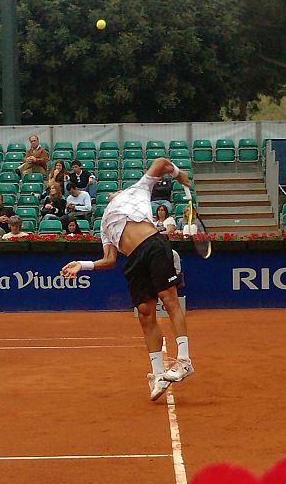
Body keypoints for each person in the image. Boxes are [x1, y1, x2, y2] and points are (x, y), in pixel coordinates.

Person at [61, 157, 194, 402]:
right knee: (145, 314)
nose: (113, 193)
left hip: (153, 245)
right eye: (110, 193)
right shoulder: (104, 224)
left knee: (169, 298)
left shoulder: (138, 189)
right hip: (133, 261)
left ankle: (184, 360)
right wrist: (83, 265)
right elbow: (109, 260)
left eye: (116, 191)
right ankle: (157, 375)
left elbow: (162, 162)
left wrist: (179, 174)